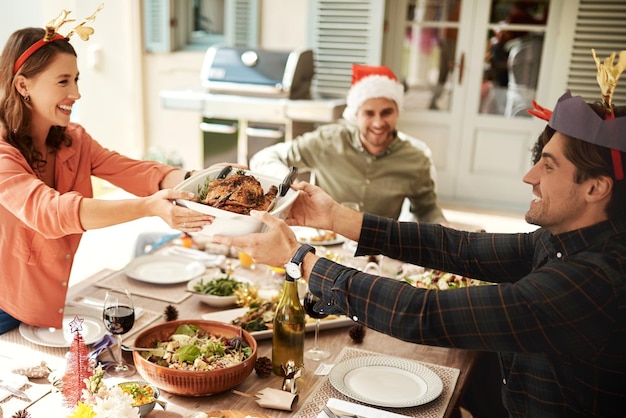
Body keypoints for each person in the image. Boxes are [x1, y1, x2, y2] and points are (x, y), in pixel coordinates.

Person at [214, 50, 626, 417]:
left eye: (549, 166)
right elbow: (459, 246)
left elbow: (425, 314)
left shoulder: (590, 281)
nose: (529, 176)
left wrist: (300, 260)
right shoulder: (562, 241)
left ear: (596, 188)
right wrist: (339, 217)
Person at [0, 7, 213, 334]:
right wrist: (147, 208)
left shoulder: (74, 141)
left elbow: (140, 173)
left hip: (44, 305)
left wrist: (209, 181)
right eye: (63, 81)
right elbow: (50, 213)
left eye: (76, 79)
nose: (76, 93)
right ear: (23, 86)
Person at [250, 64, 446, 223]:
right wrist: (287, 183)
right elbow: (265, 157)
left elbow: (427, 209)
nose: (378, 123)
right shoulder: (328, 141)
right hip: (327, 245)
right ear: (356, 115)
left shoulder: (416, 159)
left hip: (380, 250)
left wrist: (445, 229)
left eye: (386, 112)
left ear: (398, 112)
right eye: (369, 113)